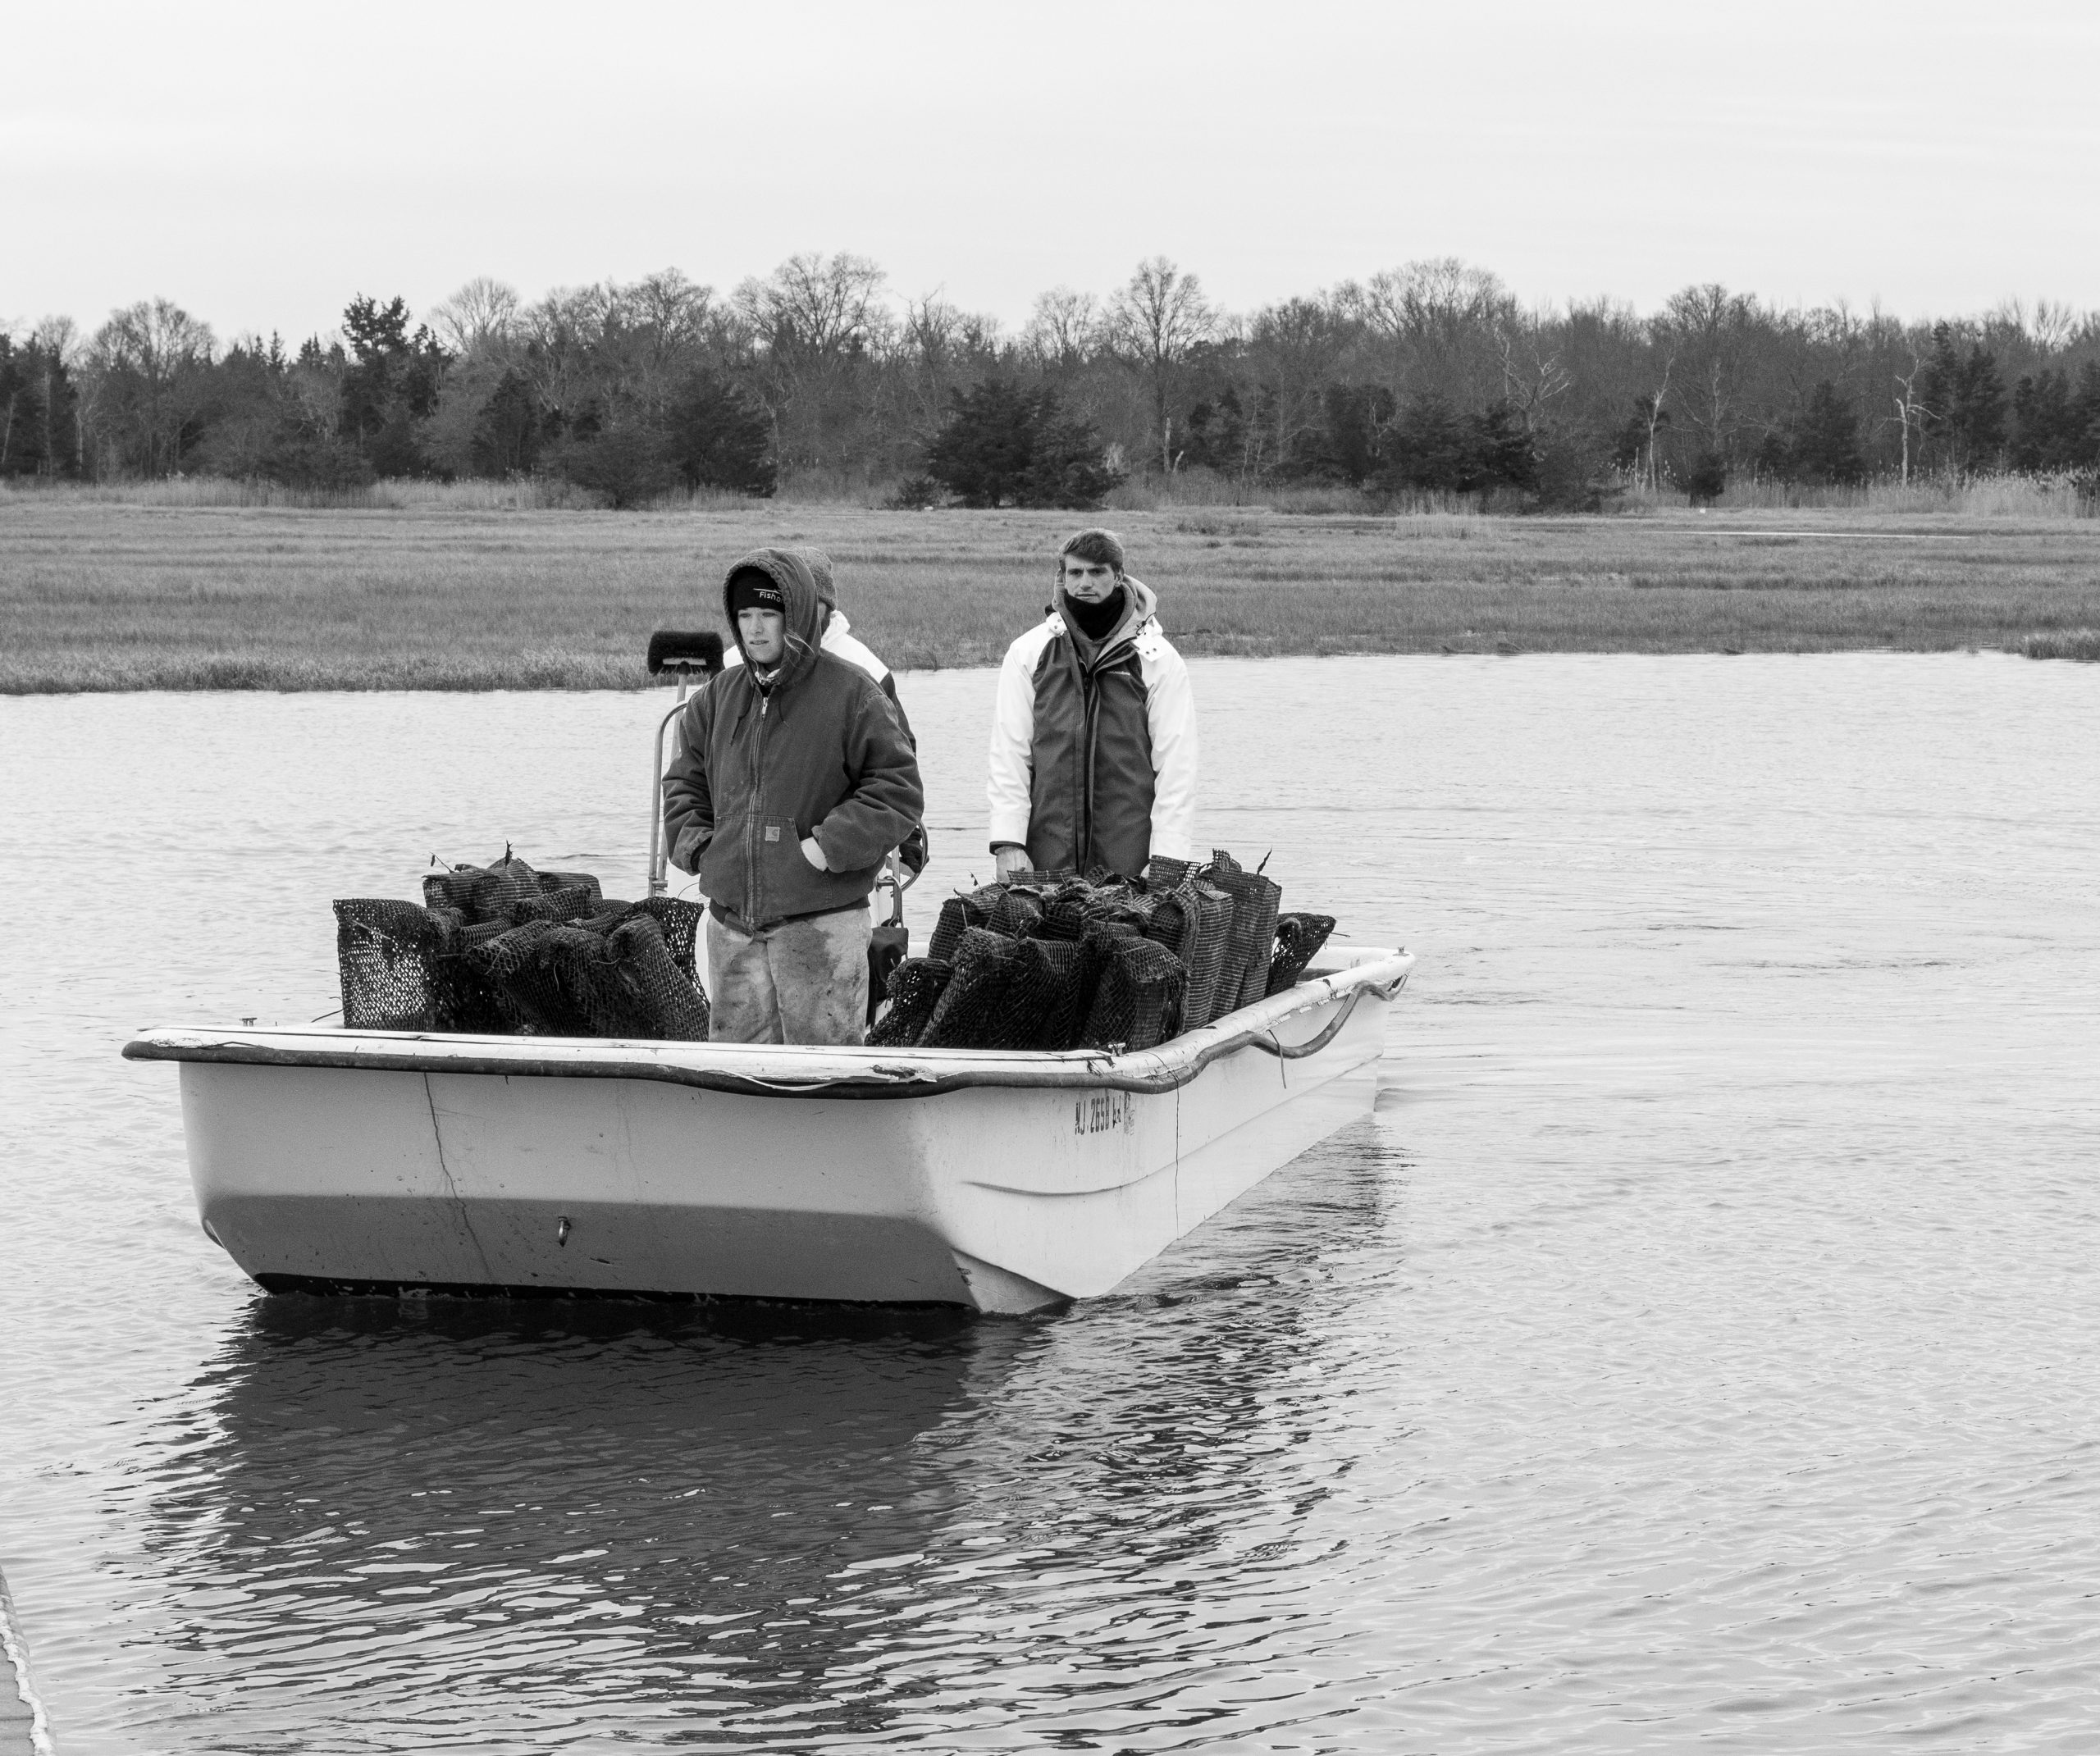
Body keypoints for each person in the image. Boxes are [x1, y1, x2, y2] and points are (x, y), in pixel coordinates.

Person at [663, 548, 924, 1044]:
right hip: (731, 928)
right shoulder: (716, 696)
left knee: (823, 1083)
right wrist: (698, 847)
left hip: (822, 928)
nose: (755, 628)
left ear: (798, 616)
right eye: (744, 615)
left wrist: (826, 848)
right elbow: (682, 782)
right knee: (737, 1084)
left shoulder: (855, 693)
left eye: (768, 614)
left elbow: (898, 789)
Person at [985, 527, 1198, 882]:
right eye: (1075, 572)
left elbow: (1177, 767)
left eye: (1097, 572)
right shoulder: (1028, 652)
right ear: (1062, 577)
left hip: (1131, 859)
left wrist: (1168, 859)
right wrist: (1008, 843)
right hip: (1044, 858)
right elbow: (1009, 754)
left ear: (1118, 576)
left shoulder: (1157, 658)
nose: (1085, 582)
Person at [718, 546, 928, 876]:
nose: (805, 614)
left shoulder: (865, 669)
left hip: (831, 865)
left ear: (827, 607)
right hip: (743, 859)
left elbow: (896, 765)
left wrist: (827, 848)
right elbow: (698, 768)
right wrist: (707, 845)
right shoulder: (733, 664)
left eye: (813, 604)